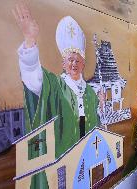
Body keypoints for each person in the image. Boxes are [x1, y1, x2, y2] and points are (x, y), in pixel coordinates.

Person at [13, 3, 100, 159]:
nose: (74, 64)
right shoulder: (55, 85)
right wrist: (30, 41)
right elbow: (34, 77)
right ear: (63, 63)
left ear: (83, 64)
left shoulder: (91, 94)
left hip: (89, 157)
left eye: (77, 60)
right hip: (64, 158)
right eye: (70, 60)